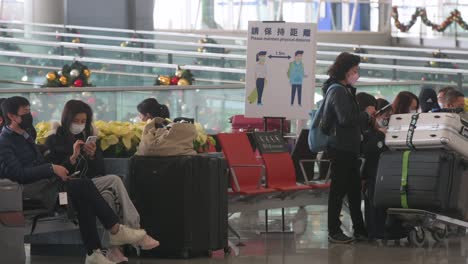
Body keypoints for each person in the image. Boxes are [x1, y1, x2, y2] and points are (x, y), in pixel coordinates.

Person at [0, 96, 149, 264]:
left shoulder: (27, 134)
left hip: (47, 184)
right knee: (83, 187)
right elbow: (18, 174)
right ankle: (114, 232)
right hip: (31, 193)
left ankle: (95, 252)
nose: (29, 115)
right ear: (12, 116)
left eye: (29, 110)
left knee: (83, 192)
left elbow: (39, 164)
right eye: (25, 112)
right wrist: (51, 168)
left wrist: (62, 166)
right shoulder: (5, 141)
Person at [45, 100, 159, 263]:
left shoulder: (88, 137)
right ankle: (135, 232)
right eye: (76, 121)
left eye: (83, 121)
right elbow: (55, 173)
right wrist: (72, 157)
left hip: (89, 185)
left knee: (107, 195)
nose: (79, 125)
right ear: (67, 119)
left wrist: (92, 155)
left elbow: (100, 171)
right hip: (68, 188)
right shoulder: (54, 141)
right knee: (113, 180)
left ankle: (112, 249)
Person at [322, 52, 368, 243]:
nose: (357, 74)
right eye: (354, 70)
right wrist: (365, 115)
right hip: (341, 149)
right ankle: (334, 230)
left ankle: (360, 229)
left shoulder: (345, 90)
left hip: (349, 148)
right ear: (345, 70)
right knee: (338, 191)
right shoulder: (338, 91)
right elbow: (345, 119)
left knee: (354, 191)